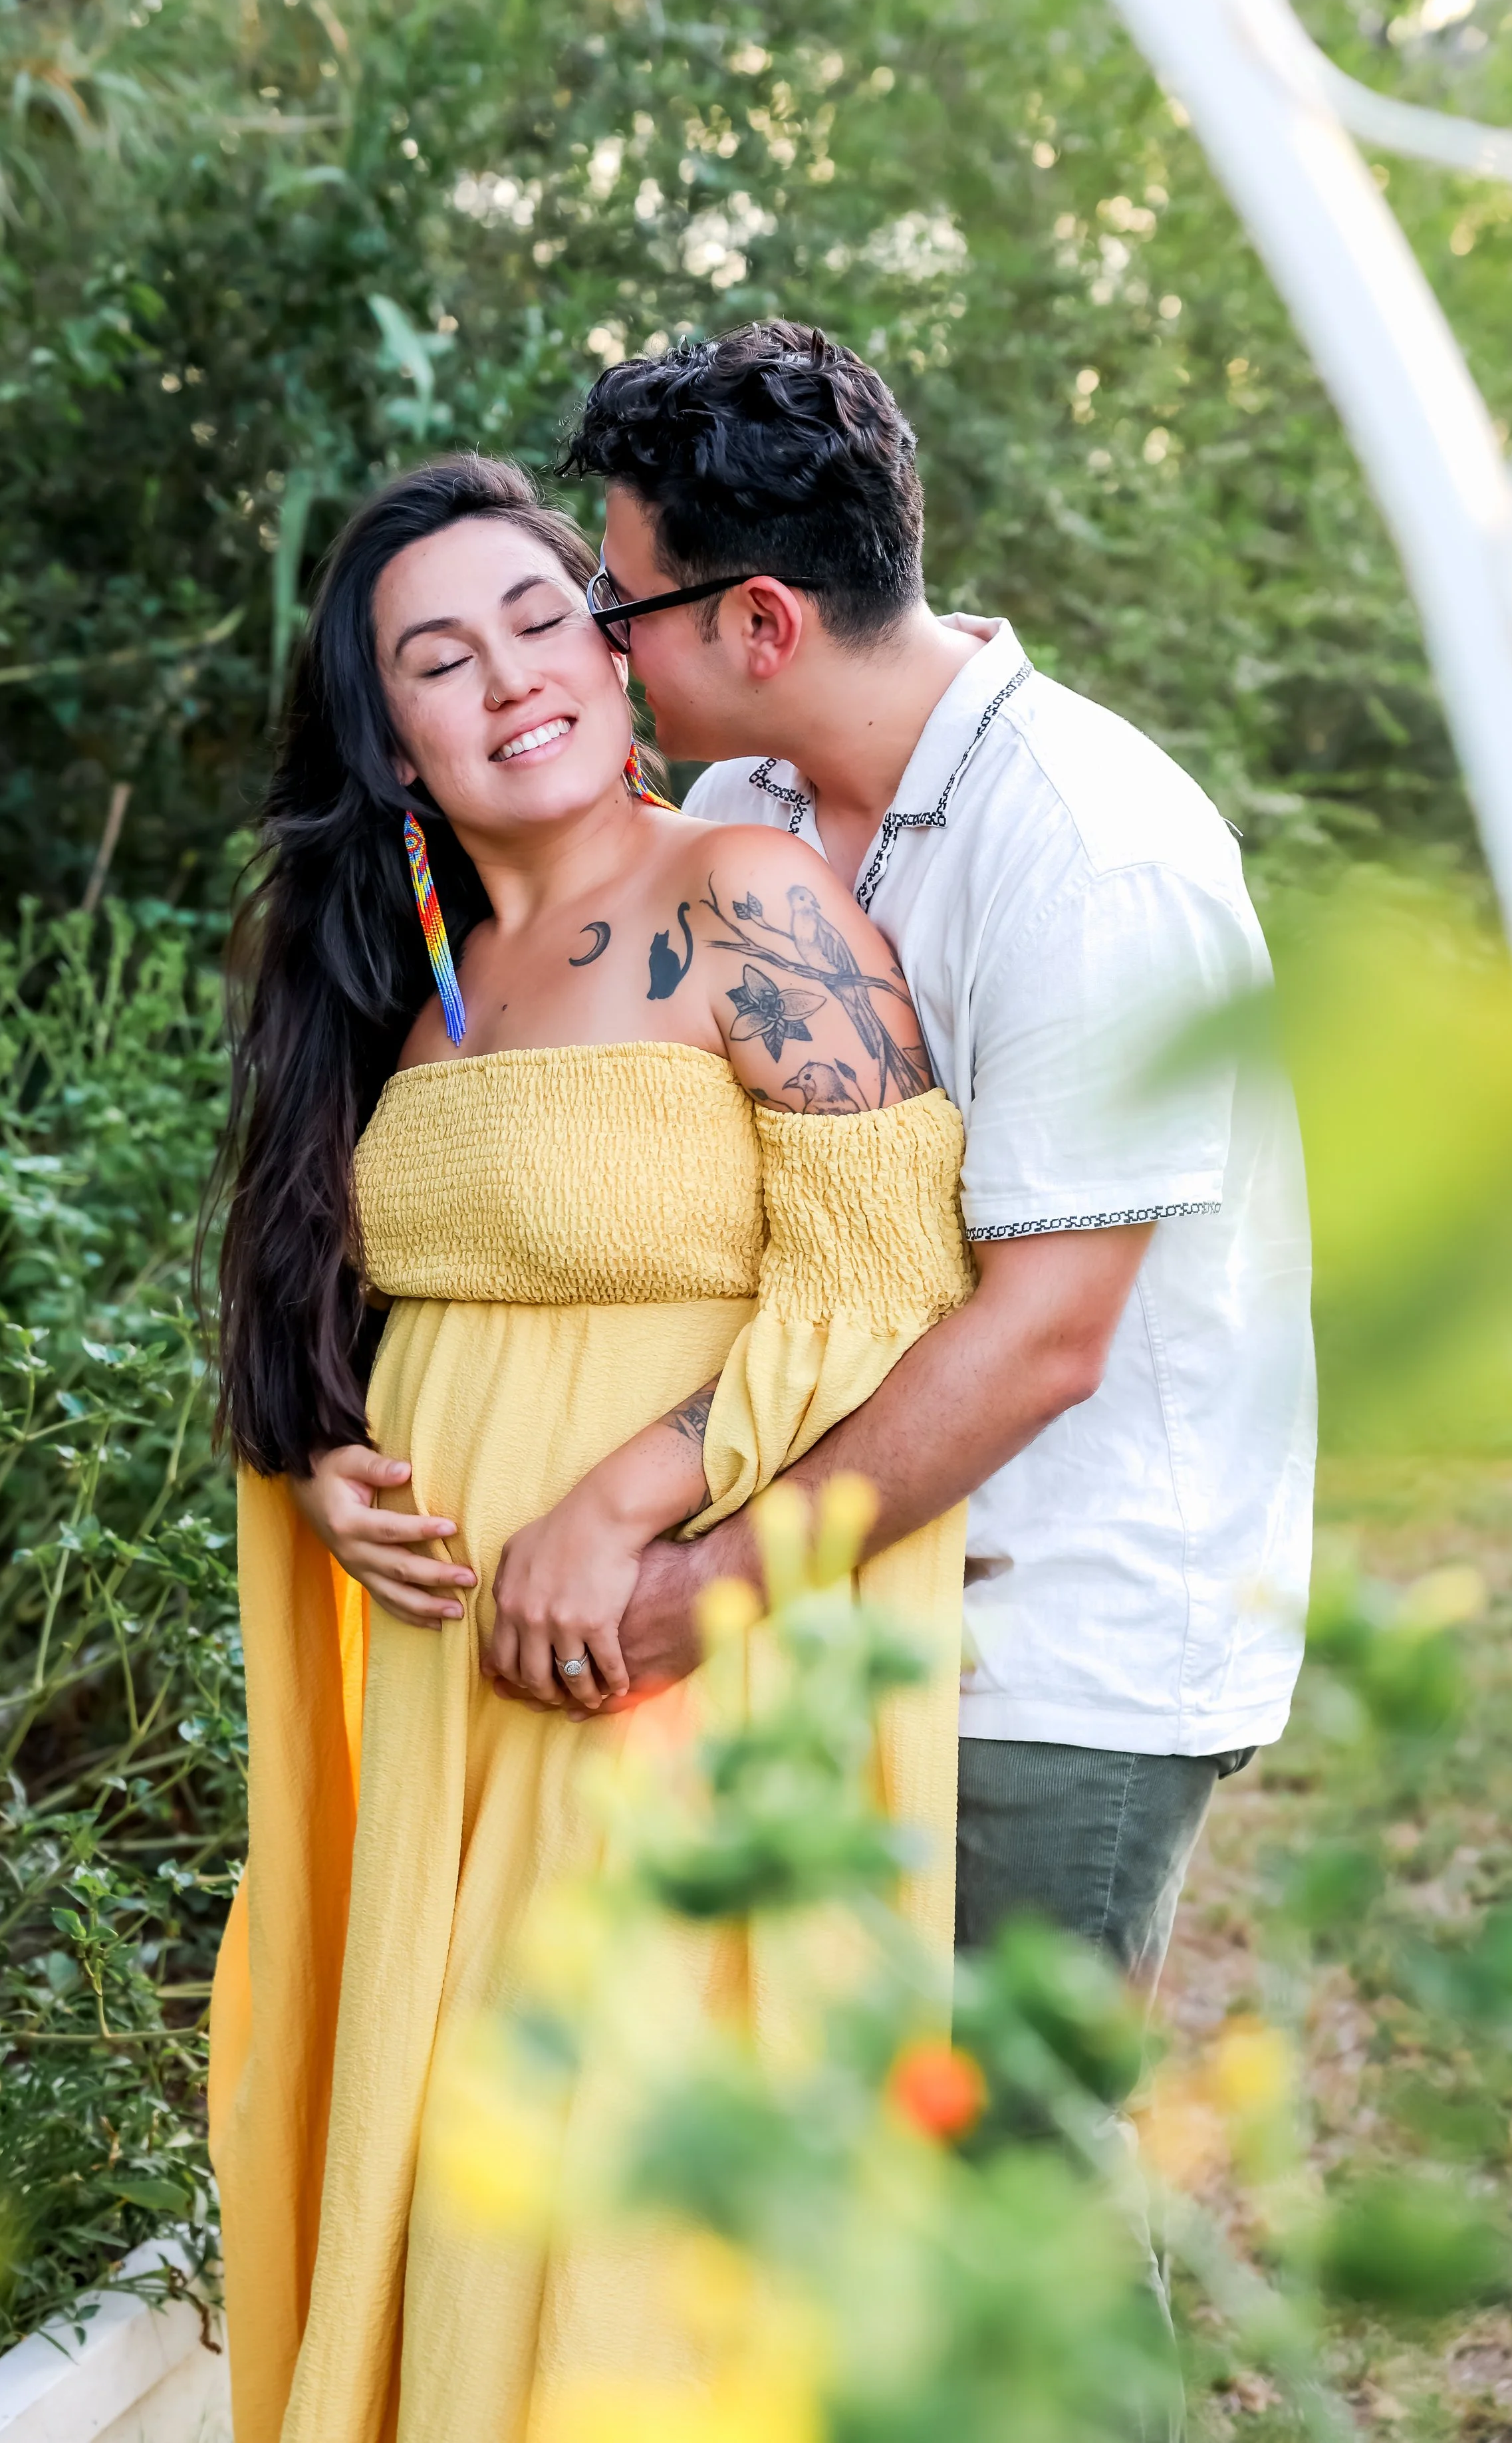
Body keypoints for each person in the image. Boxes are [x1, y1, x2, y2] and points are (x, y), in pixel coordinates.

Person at [299, 322, 1316, 2007]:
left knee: (1000, 2144)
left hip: (1051, 1640)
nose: (593, 646)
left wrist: (695, 1579)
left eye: (611, 604)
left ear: (758, 621)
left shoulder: (1088, 853)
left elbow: (1044, 1335)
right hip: (833, 1610)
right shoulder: (746, 797)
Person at [205, 453, 975, 2443]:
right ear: (389, 737)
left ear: (614, 648)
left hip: (665, 1646)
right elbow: (325, 1292)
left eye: (541, 617)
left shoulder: (740, 897)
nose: (509, 678)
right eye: (438, 659)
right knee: (470, 2138)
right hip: (443, 1702)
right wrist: (321, 1459)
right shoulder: (405, 979)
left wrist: (630, 1502)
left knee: (614, 2171)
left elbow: (886, 1273)